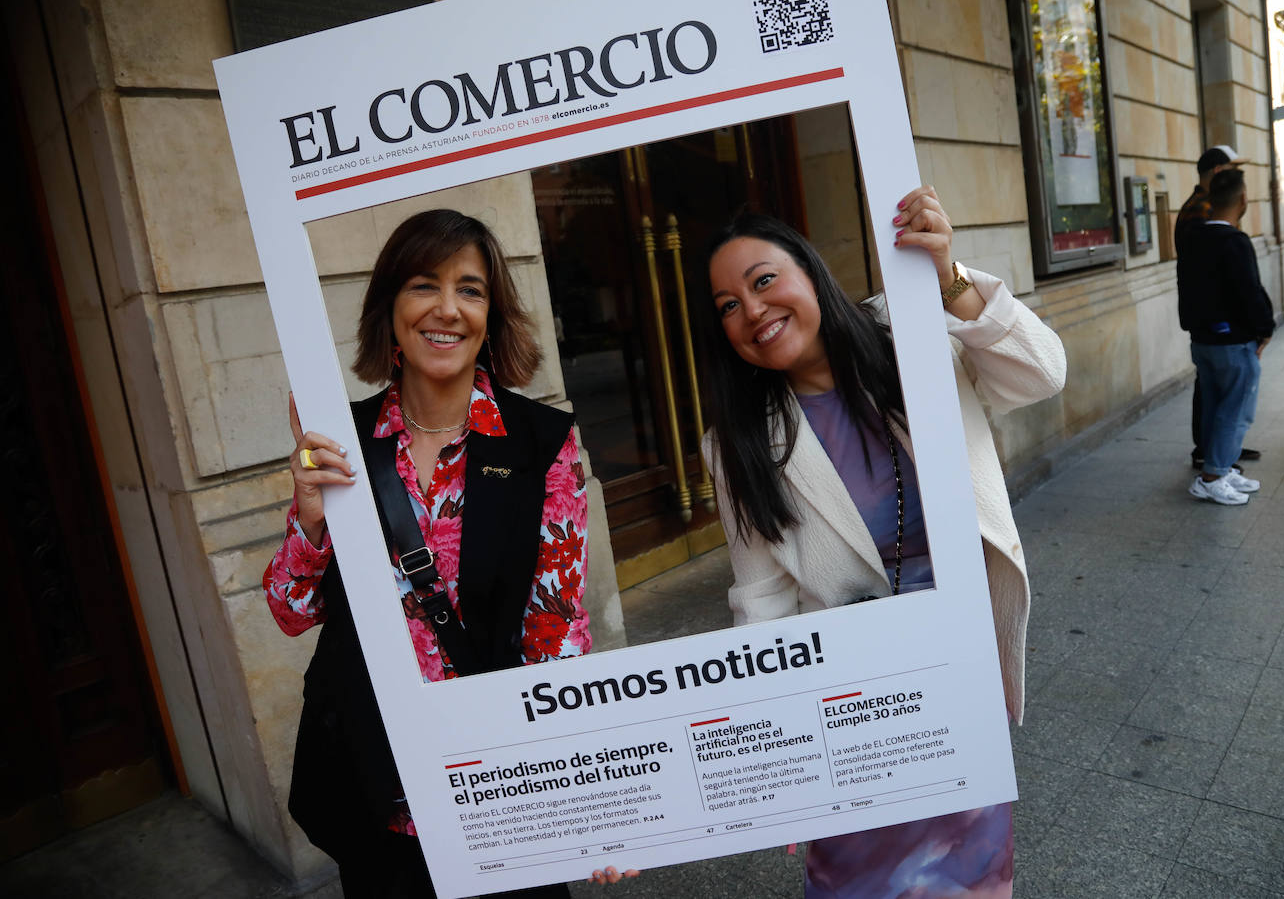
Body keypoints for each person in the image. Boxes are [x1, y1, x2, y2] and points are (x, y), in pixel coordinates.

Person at [696, 187, 1066, 898]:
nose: (752, 311)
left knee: (968, 878)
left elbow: (1043, 373)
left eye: (764, 280)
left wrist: (951, 279)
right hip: (847, 706)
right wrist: (778, 757)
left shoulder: (908, 336)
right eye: (728, 307)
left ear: (810, 272)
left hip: (958, 679)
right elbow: (761, 598)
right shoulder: (736, 443)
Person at [262, 210, 623, 897]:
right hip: (372, 783)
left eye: (471, 289)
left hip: (500, 789)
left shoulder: (540, 443)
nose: (447, 309)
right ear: (391, 307)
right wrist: (309, 520)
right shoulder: (343, 439)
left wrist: (587, 791)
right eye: (425, 285)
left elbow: (555, 632)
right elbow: (290, 612)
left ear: (492, 313)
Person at [1177, 169, 1274, 505]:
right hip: (1234, 342)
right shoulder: (1234, 241)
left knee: (1214, 406)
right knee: (1235, 409)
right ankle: (1213, 476)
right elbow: (1249, 291)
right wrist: (1265, 329)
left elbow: (1185, 288)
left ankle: (1218, 467)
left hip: (1203, 340)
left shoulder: (1192, 237)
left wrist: (1192, 326)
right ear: (1243, 199)